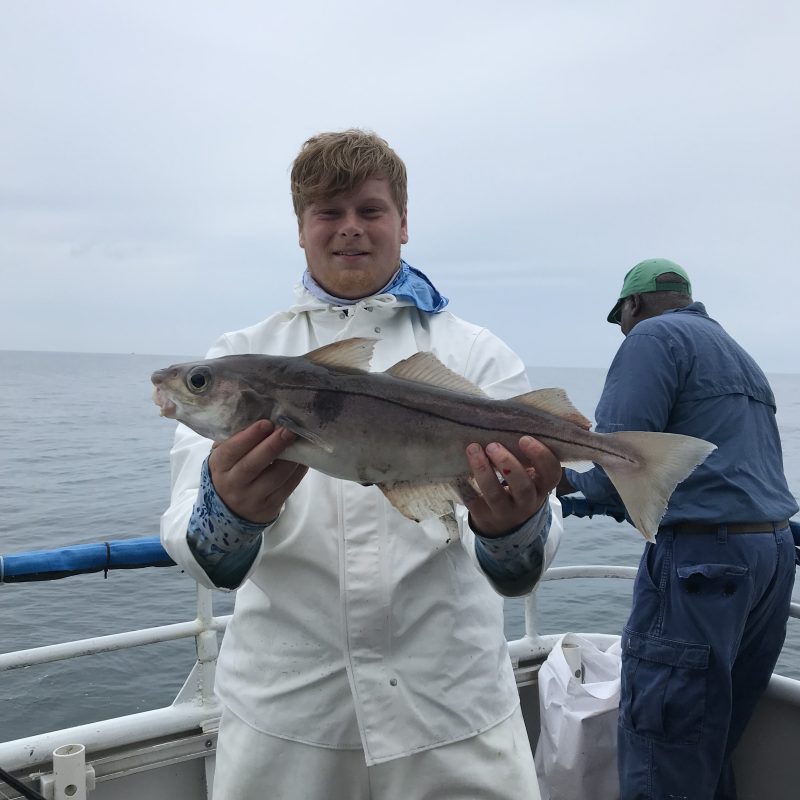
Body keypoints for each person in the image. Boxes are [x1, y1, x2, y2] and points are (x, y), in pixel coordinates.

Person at [160, 129, 563, 799]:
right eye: (328, 212)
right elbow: (203, 557)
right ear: (300, 229)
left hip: (453, 716)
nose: (350, 229)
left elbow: (522, 570)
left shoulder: (479, 358)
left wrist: (510, 527)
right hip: (286, 721)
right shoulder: (238, 356)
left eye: (370, 211)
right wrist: (227, 511)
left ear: (402, 222)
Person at [557, 258, 798, 800]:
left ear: (634, 306)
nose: (622, 330)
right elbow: (732, 475)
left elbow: (619, 460)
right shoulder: (742, 358)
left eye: (620, 318)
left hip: (703, 565)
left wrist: (562, 484)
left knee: (662, 746)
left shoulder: (651, 338)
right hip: (771, 558)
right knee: (710, 743)